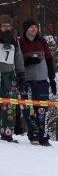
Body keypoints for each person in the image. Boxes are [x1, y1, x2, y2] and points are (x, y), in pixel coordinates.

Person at [17, 19, 56, 146]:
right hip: (26, 82)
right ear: (26, 29)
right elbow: (17, 62)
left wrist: (53, 79)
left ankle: (42, 135)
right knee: (28, 110)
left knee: (41, 110)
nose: (34, 29)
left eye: (35, 27)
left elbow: (50, 60)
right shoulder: (20, 43)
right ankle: (33, 134)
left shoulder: (42, 41)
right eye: (31, 27)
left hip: (42, 81)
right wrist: (28, 61)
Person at [0, 15, 26, 143]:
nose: (6, 28)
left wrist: (21, 75)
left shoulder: (15, 41)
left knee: (9, 105)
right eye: (4, 26)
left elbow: (19, 59)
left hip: (9, 75)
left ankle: (7, 133)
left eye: (8, 26)